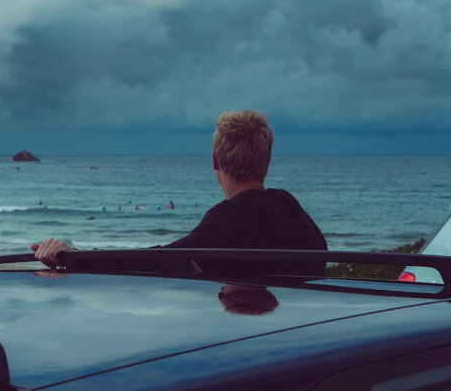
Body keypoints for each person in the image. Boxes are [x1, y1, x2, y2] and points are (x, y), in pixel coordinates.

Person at [32, 110, 327, 275]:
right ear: (268, 159)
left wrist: (76, 257)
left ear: (215, 160)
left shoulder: (230, 216)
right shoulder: (290, 207)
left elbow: (164, 259)